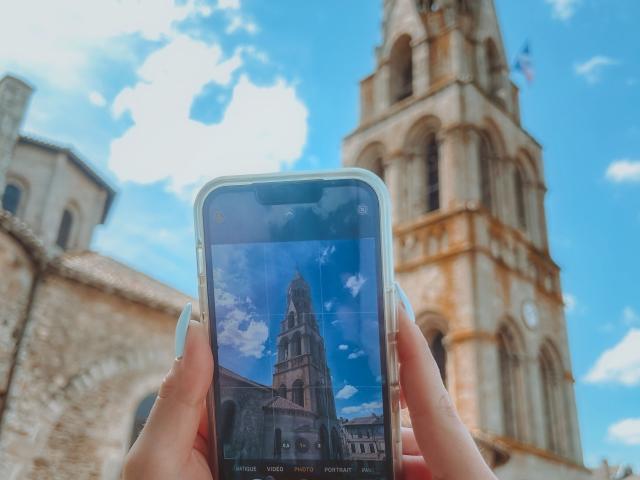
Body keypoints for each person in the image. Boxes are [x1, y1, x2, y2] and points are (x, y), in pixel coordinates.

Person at [123, 287, 497, 480]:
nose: (292, 338)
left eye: (297, 300)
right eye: (294, 300)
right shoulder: (287, 351)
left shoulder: (312, 355)